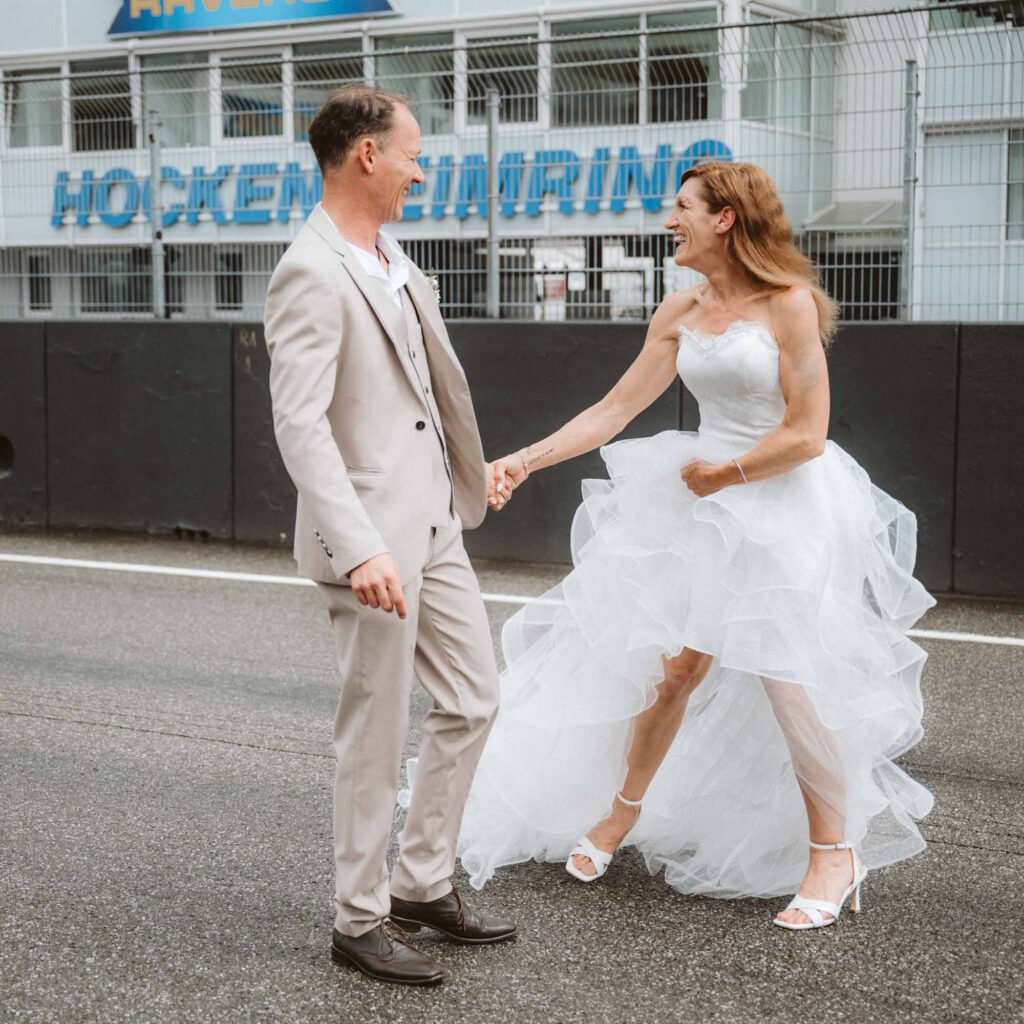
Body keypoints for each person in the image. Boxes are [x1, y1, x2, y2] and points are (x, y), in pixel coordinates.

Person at [458, 160, 935, 931]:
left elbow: (808, 434)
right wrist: (521, 460)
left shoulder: (790, 307)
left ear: (725, 219)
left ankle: (833, 852)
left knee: (785, 678)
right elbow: (611, 412)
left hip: (782, 500)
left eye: (680, 207)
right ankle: (619, 815)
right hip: (702, 501)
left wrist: (731, 473)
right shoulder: (679, 310)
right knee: (674, 668)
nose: (667, 218)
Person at [263, 85, 515, 987]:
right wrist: (359, 543)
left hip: (438, 524)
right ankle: (358, 918)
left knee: (475, 698)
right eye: (413, 153)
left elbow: (418, 396)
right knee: (374, 733)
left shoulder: (392, 256)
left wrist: (462, 470)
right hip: (370, 542)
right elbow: (302, 425)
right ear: (366, 155)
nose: (422, 169)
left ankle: (419, 884)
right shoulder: (310, 269)